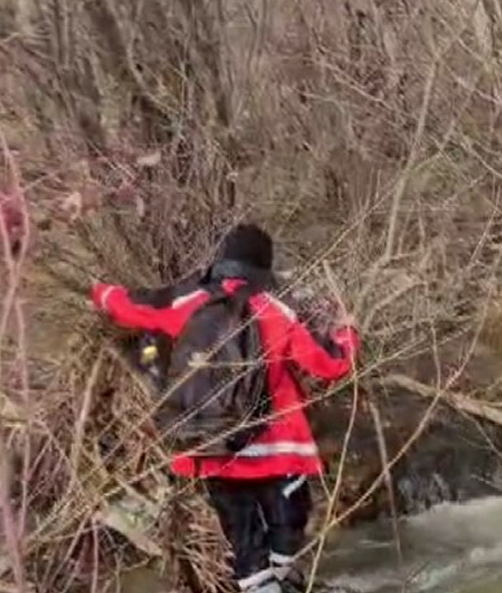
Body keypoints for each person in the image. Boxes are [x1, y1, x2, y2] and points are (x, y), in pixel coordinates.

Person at [91, 224, 359, 593]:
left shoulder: (188, 302)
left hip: (211, 445)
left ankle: (260, 585)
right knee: (288, 524)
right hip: (277, 450)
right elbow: (330, 366)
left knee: (242, 535)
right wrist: (347, 334)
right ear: (264, 269)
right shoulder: (275, 310)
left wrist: (100, 291)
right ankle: (285, 576)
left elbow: (132, 307)